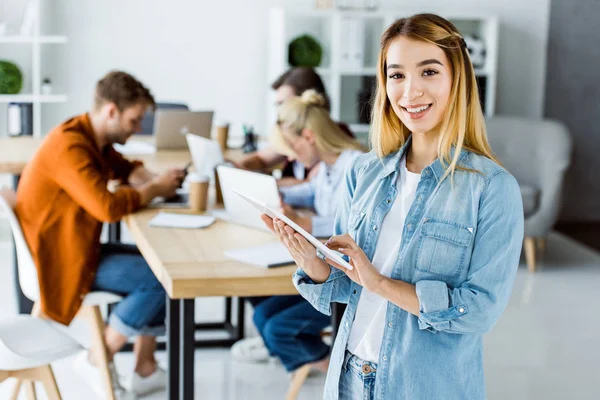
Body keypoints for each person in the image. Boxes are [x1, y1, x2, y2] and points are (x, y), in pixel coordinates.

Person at [264, 13, 524, 400]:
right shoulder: (365, 173)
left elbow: (480, 309)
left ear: (458, 80)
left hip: (424, 387)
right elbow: (348, 284)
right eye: (397, 75)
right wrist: (313, 263)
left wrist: (382, 284)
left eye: (429, 71)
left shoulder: (492, 189)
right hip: (349, 376)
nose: (410, 92)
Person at [15, 70, 184, 398]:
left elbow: (121, 166)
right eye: (134, 121)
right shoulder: (70, 146)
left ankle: (144, 368)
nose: (137, 130)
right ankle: (98, 358)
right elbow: (106, 207)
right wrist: (153, 189)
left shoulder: (90, 137)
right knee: (160, 278)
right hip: (60, 262)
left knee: (161, 261)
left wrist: (143, 176)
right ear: (111, 111)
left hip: (76, 249)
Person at [231, 90, 365, 377]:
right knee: (262, 314)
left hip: (344, 278)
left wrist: (304, 223)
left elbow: (349, 224)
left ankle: (331, 367)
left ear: (308, 136)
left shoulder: (355, 165)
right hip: (320, 266)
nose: (291, 156)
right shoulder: (328, 167)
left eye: (293, 147)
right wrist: (271, 192)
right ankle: (302, 354)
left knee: (275, 327)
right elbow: (310, 192)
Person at [235, 67, 352, 186]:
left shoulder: (331, 142)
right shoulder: (291, 134)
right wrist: (239, 168)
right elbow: (261, 158)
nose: (279, 111)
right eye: (278, 105)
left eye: (284, 104)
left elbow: (311, 187)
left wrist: (261, 184)